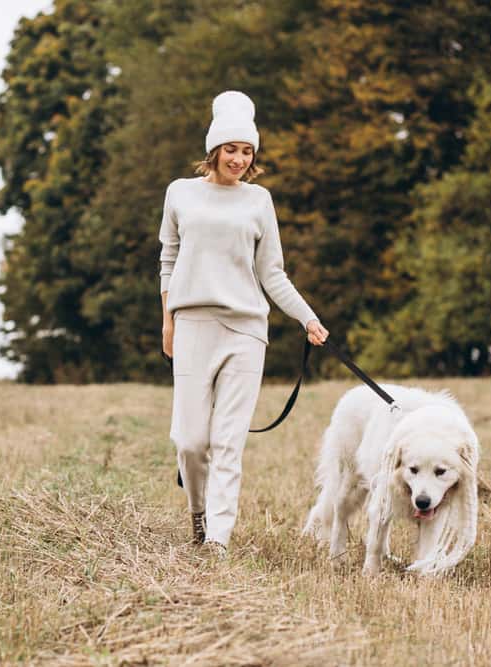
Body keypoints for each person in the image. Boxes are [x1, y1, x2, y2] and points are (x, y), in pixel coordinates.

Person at [158, 90, 329, 557]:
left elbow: (272, 271)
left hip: (247, 331)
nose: (239, 159)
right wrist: (168, 321)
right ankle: (198, 511)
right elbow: (168, 259)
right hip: (193, 324)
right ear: (214, 149)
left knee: (228, 440)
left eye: (247, 151)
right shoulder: (180, 193)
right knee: (191, 442)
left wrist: (306, 317)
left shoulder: (259, 201)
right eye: (231, 149)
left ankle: (217, 537)